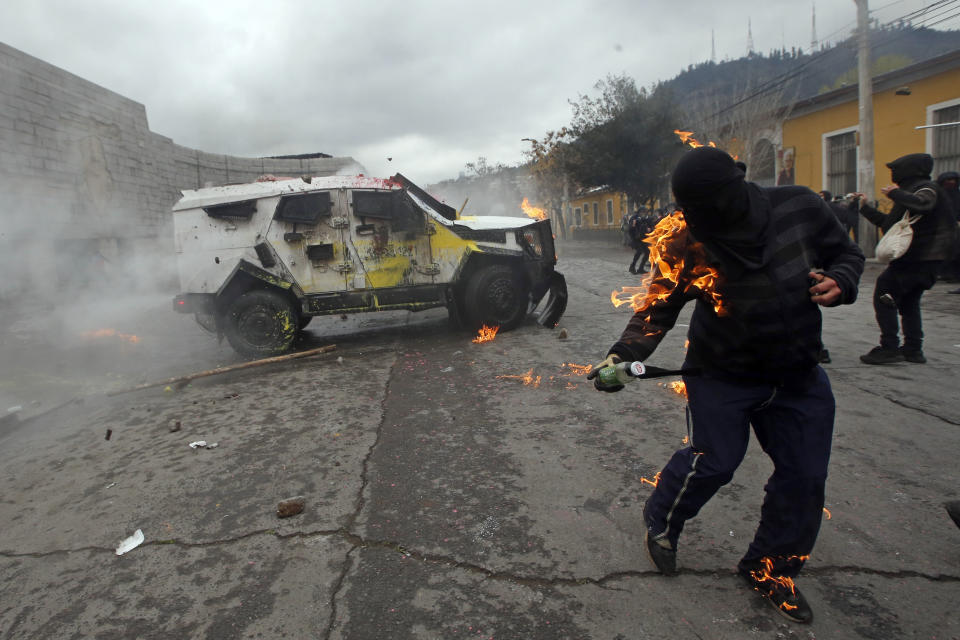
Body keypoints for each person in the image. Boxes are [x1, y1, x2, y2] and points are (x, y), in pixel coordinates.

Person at [587, 146, 864, 624]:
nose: (696, 218)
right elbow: (657, 307)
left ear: (736, 186)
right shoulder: (685, 239)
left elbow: (847, 254)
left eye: (705, 207)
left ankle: (769, 568)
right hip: (719, 374)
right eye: (689, 210)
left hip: (796, 374)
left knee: (804, 477)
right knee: (713, 462)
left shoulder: (798, 205)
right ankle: (662, 520)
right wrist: (622, 355)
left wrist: (841, 280)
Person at [854, 154, 957, 364]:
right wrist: (865, 207)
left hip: (919, 258)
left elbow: (923, 204)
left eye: (896, 170)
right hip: (920, 260)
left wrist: (896, 194)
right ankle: (913, 349)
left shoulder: (926, 187)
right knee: (909, 301)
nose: (893, 176)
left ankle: (889, 346)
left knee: (884, 292)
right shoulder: (911, 191)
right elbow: (891, 226)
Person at [934, 171, 960, 289]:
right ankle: (944, 273)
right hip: (941, 227)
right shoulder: (938, 194)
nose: (951, 183)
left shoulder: (956, 194)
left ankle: (954, 275)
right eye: (948, 180)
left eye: (953, 180)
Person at [627, 208, 653, 274]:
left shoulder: (646, 219)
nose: (643, 213)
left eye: (644, 211)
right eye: (642, 211)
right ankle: (632, 267)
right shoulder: (634, 218)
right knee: (639, 251)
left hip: (643, 239)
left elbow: (652, 226)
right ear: (639, 212)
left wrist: (650, 229)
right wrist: (633, 225)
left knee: (647, 252)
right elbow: (630, 229)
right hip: (635, 239)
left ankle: (641, 268)